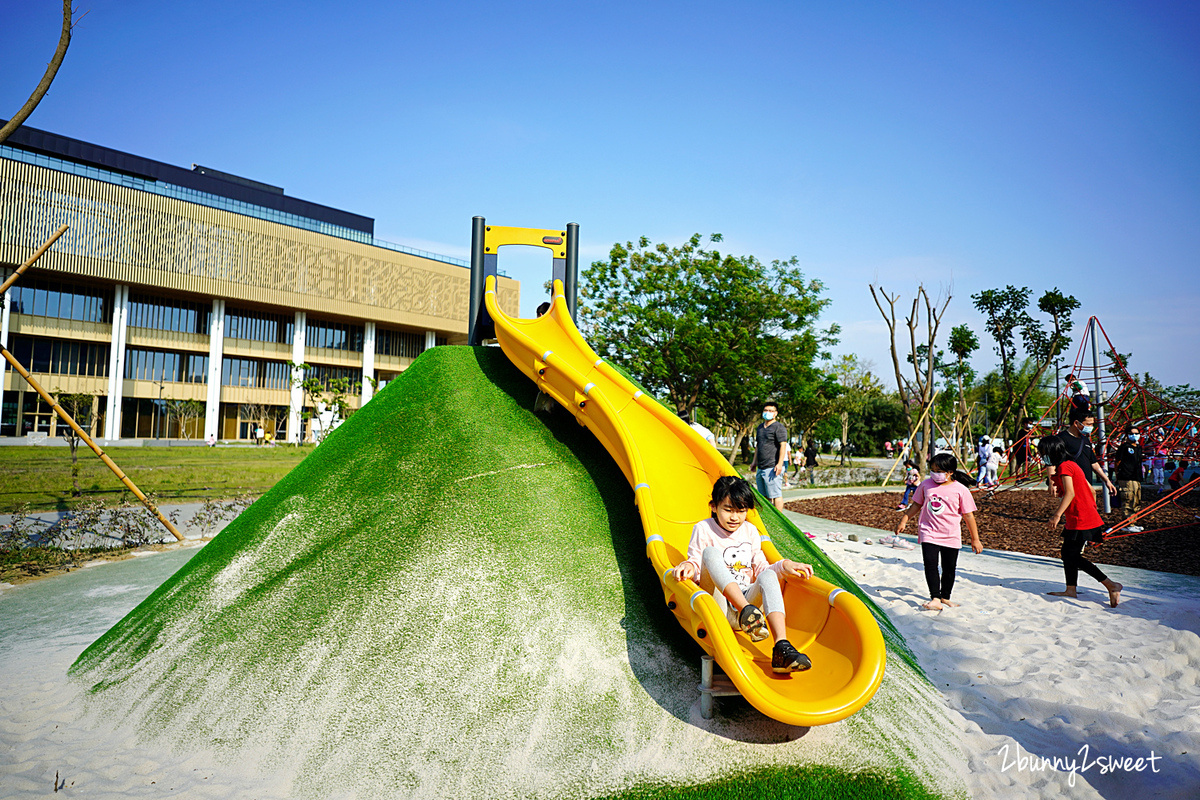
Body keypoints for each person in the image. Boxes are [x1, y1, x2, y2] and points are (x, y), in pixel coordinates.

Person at [671, 476, 814, 673]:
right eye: (728, 510)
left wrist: (784, 565)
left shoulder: (750, 531)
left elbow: (761, 569)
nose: (734, 517)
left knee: (769, 576)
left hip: (746, 608)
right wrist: (688, 566)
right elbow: (697, 561)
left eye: (741, 511)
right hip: (718, 604)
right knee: (710, 553)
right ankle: (747, 612)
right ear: (713, 506)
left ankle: (781, 647)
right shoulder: (703, 529)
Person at [1038, 436, 1124, 607]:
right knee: (1067, 553)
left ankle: (1111, 585)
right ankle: (1071, 589)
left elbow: (1070, 493)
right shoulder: (1071, 464)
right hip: (1081, 515)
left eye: (1043, 453)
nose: (1043, 457)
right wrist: (1091, 509)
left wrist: (1056, 516)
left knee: (1072, 555)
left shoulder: (1064, 467)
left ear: (1051, 452)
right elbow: (1091, 490)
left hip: (1081, 517)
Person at [895, 452, 982, 611]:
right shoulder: (925, 485)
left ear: (950, 472)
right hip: (929, 532)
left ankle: (945, 597)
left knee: (949, 568)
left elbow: (969, 515)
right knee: (930, 564)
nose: (935, 473)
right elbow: (916, 505)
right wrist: (904, 519)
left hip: (951, 534)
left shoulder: (961, 490)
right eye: (932, 469)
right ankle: (935, 597)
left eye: (939, 471)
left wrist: (975, 539)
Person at [1051, 408, 1118, 499]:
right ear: (1076, 423)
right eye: (1088, 424)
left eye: (1092, 424)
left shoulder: (1085, 440)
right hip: (1070, 487)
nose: (1091, 427)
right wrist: (1052, 483)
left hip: (1087, 485)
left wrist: (1107, 480)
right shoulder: (1060, 439)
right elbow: (1051, 462)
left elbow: (1093, 462)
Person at [748, 401, 788, 510]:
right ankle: (768, 519)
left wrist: (779, 464)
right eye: (766, 410)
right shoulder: (760, 427)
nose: (768, 413)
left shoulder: (779, 427)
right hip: (761, 467)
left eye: (771, 411)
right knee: (763, 496)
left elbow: (783, 446)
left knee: (775, 495)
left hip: (772, 467)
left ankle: (779, 520)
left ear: (776, 413)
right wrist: (754, 462)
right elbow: (758, 445)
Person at [1113, 425, 1145, 531]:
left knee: (1136, 501)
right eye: (1132, 434)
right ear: (1127, 435)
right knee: (1128, 500)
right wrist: (1118, 474)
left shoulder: (1139, 448)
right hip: (1126, 477)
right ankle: (1127, 524)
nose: (1134, 436)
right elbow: (1117, 462)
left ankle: (1133, 522)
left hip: (1136, 477)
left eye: (1136, 433)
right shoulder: (1124, 447)